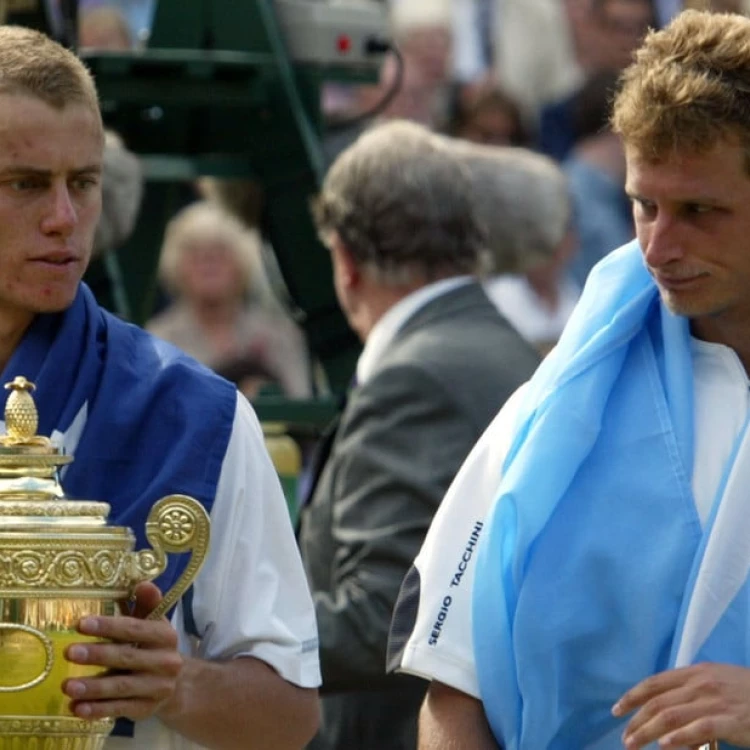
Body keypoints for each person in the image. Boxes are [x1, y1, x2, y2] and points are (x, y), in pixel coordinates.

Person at [389, 8, 750, 749]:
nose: (658, 244)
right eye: (642, 205)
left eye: (700, 211)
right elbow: (456, 693)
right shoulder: (555, 405)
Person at [0, 24, 320, 749]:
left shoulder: (198, 416)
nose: (65, 219)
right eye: (24, 184)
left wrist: (177, 685)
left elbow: (292, 716)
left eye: (83, 183)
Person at [298, 119, 540, 750]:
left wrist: (227, 627)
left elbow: (384, 616)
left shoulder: (411, 378)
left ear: (346, 261)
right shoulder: (512, 351)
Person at [147, 200, 312, 400]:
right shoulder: (158, 339)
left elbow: (303, 408)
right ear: (176, 266)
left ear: (242, 261)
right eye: (194, 253)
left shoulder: (281, 336)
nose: (208, 262)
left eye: (220, 251)